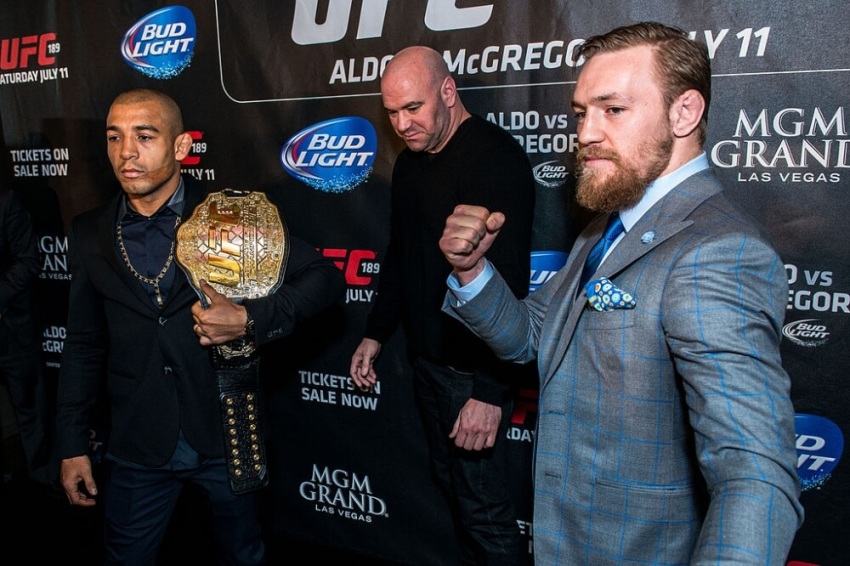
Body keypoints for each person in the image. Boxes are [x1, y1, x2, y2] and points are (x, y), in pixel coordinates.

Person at [438, 22, 803, 565]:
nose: (586, 132)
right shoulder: (605, 226)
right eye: (582, 112)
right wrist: (471, 271)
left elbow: (754, 473)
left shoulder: (717, 251)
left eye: (613, 110)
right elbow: (533, 339)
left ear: (684, 113)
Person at [54, 88, 345, 565]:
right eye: (114, 137)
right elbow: (83, 343)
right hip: (136, 439)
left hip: (226, 430)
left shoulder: (229, 217)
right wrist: (71, 442)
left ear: (181, 147)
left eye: (144, 136)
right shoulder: (89, 232)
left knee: (242, 555)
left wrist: (249, 320)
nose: (126, 152)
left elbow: (325, 280)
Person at [349, 46, 535, 565]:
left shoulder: (496, 158)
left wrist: (488, 392)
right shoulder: (411, 164)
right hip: (427, 361)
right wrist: (376, 331)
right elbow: (401, 253)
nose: (402, 124)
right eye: (391, 113)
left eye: (414, 108)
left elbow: (510, 285)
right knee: (455, 492)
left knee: (484, 510)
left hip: (470, 372)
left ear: (449, 93)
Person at [0, 185, 53, 489]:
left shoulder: (6, 200)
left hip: (12, 326)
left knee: (31, 406)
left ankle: (44, 480)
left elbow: (29, 260)